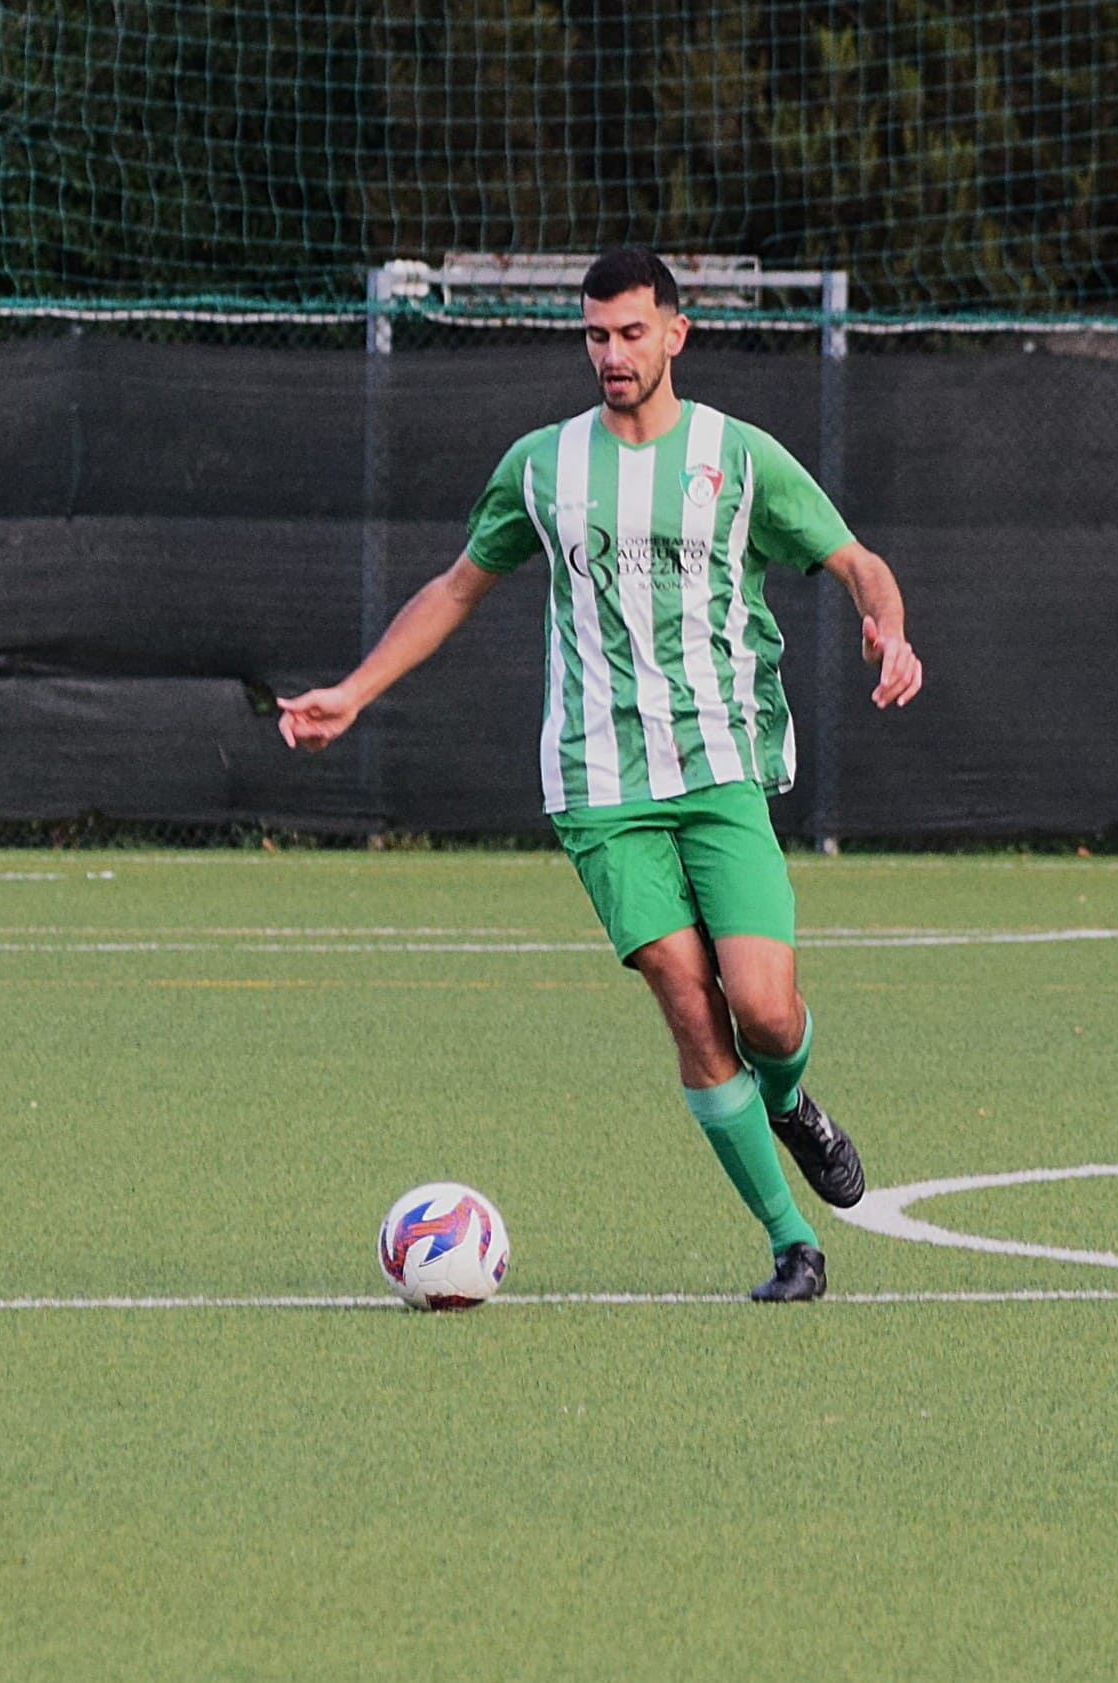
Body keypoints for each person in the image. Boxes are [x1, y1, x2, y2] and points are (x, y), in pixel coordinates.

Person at [277, 246, 923, 1302]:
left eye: (630, 333)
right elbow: (456, 587)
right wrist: (353, 692)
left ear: (676, 333)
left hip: (719, 767)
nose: (612, 354)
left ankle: (790, 1102)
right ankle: (791, 1243)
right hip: (600, 784)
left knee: (763, 1011)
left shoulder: (736, 455)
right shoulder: (543, 467)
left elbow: (857, 562)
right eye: (595, 335)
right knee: (688, 1000)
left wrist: (885, 628)